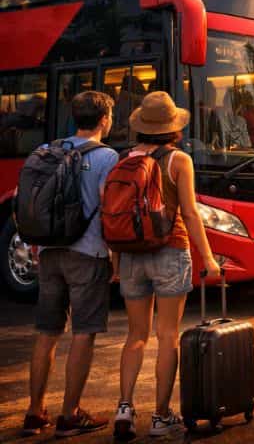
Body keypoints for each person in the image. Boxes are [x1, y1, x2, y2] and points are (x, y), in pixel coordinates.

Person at [114, 92, 222, 440]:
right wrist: (208, 259)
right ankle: (160, 417)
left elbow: (116, 214)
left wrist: (116, 262)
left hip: (130, 254)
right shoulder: (179, 160)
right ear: (173, 126)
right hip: (170, 251)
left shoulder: (124, 159)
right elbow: (189, 213)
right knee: (167, 336)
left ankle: (124, 408)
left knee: (135, 336)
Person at [22, 92, 119, 437]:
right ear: (105, 119)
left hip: (48, 251)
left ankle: (35, 412)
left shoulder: (47, 150)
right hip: (88, 252)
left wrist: (35, 244)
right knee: (84, 332)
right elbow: (110, 210)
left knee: (46, 332)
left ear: (74, 117)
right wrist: (116, 257)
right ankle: (70, 413)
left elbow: (33, 202)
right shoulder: (108, 157)